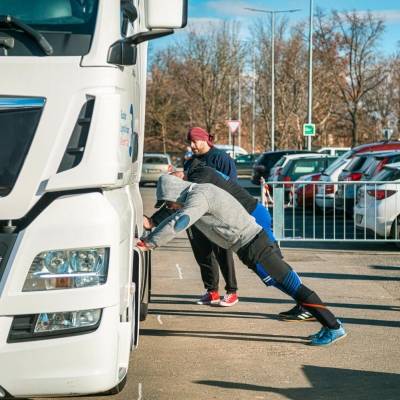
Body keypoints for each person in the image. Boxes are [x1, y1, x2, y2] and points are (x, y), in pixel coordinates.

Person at [138, 175, 347, 346]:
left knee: (292, 285)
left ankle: (333, 326)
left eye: (169, 203)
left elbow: (179, 221)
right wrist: (152, 231)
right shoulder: (199, 192)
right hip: (252, 244)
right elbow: (174, 217)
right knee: (286, 284)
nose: (171, 207)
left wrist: (150, 243)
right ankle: (329, 324)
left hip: (253, 246)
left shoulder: (198, 198)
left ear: (175, 193)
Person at [173, 160, 315, 321]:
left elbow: (187, 205)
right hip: (251, 216)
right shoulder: (199, 172)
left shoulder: (200, 176)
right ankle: (304, 304)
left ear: (180, 177)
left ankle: (307, 305)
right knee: (272, 272)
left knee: (276, 269)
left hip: (254, 215)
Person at [180, 126, 239, 306]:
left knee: (222, 252)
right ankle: (212, 291)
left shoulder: (221, 158)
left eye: (195, 141)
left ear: (205, 139)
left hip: (218, 213)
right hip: (196, 215)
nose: (192, 146)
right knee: (202, 253)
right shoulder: (191, 162)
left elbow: (232, 185)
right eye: (190, 142)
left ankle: (232, 292)